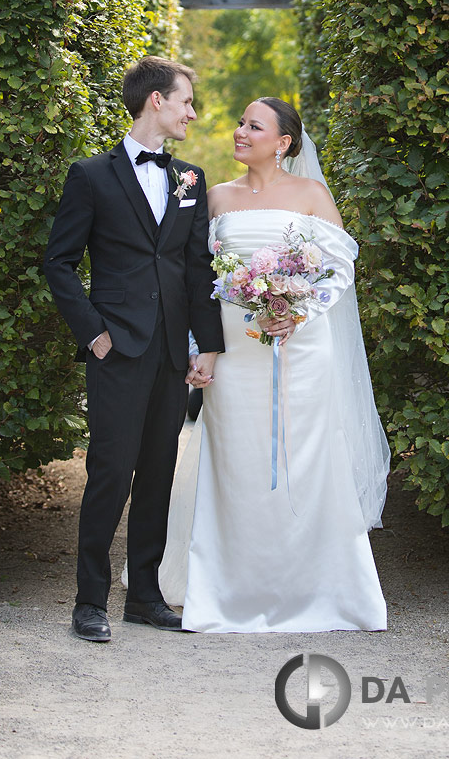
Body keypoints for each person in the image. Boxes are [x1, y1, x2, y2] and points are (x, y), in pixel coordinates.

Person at [158, 96, 390, 632]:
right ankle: (230, 582)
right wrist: (201, 347)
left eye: (253, 126)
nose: (240, 132)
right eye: (240, 123)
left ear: (284, 142)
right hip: (235, 354)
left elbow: (339, 266)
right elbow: (197, 280)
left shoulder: (311, 194)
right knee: (236, 457)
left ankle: (318, 585)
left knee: (306, 458)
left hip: (302, 349)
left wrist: (300, 311)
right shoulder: (215, 197)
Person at [43, 56, 223, 642]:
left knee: (158, 476)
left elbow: (199, 270)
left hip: (173, 351)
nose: (192, 113)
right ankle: (89, 599)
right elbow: (60, 263)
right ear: (156, 101)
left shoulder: (190, 178)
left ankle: (143, 595)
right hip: (116, 350)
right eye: (186, 101)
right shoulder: (91, 175)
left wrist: (208, 347)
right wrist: (94, 334)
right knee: (109, 473)